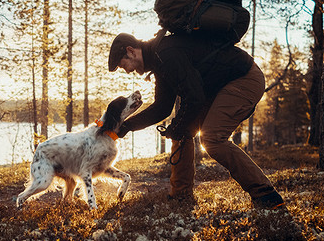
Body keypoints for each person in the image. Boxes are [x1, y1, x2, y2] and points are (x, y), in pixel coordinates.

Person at [107, 31, 285, 210]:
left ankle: (266, 195)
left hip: (244, 79)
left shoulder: (166, 54)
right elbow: (162, 107)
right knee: (181, 131)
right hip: (219, 87)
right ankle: (181, 196)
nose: (129, 71)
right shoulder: (159, 59)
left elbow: (195, 97)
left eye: (124, 66)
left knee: (212, 139)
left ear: (131, 51)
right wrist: (127, 126)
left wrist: (178, 125)